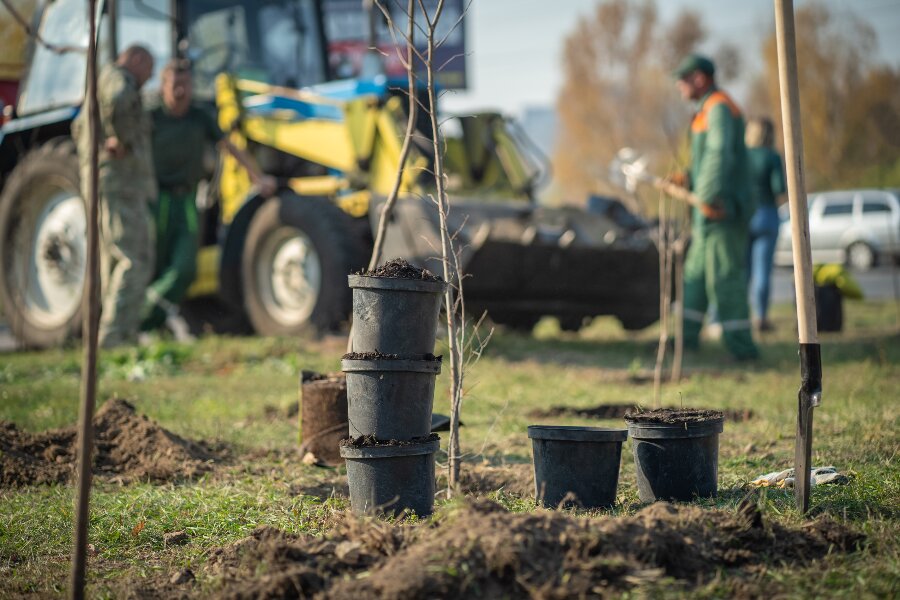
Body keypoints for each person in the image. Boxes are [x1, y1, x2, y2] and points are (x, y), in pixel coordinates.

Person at [141, 59, 276, 334]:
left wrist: (257, 176)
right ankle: (148, 323)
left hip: (188, 199)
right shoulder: (151, 117)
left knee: (184, 267)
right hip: (158, 200)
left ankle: (147, 317)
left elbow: (229, 146)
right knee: (155, 264)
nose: (182, 91)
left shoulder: (199, 116)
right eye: (176, 85)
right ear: (164, 86)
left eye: (187, 85)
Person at [672, 54, 758, 360]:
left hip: (722, 211)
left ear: (699, 78)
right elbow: (706, 159)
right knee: (694, 277)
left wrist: (707, 195)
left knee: (725, 278)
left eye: (682, 80)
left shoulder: (719, 107)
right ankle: (685, 342)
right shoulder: (705, 111)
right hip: (706, 214)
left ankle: (743, 350)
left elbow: (720, 154)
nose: (679, 86)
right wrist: (688, 178)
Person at [72, 45, 156, 348]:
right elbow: (120, 101)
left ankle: (112, 334)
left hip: (105, 181)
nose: (151, 77)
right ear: (136, 59)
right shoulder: (119, 79)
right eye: (150, 68)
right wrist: (121, 140)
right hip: (119, 182)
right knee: (134, 257)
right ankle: (115, 334)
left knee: (114, 258)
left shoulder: (101, 80)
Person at [745, 117, 786, 332]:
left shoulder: (742, 156)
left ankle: (739, 318)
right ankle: (761, 318)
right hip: (767, 216)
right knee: (762, 271)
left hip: (744, 217)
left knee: (744, 272)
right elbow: (779, 187)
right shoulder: (772, 157)